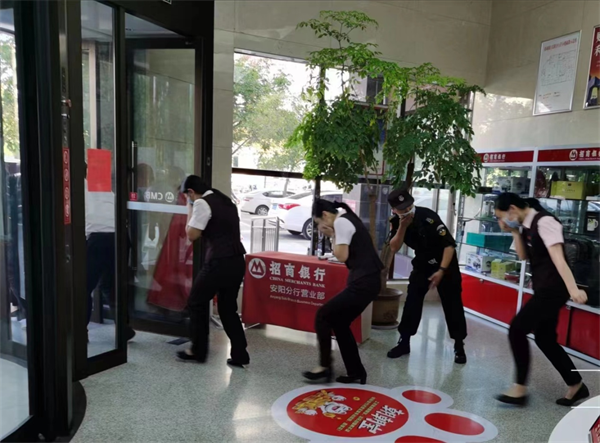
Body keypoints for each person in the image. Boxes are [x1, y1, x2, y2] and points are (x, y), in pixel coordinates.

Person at [494, 193, 589, 406]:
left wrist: (573, 289)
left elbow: (559, 259)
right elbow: (523, 256)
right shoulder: (525, 225)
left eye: (501, 217)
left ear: (512, 209)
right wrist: (514, 231)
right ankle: (576, 385)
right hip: (544, 288)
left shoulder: (545, 222)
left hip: (553, 289)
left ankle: (519, 389)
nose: (501, 222)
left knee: (517, 330)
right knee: (544, 339)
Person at [302, 199, 383, 385]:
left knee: (322, 315)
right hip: (368, 280)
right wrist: (333, 234)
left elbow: (341, 256)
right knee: (339, 322)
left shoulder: (341, 222)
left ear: (325, 215)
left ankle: (325, 367)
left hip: (364, 282)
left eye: (318, 223)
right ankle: (355, 371)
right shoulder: (347, 218)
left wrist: (332, 235)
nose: (320, 227)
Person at [386, 187, 467, 364]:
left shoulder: (428, 216)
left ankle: (459, 345)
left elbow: (449, 246)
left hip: (446, 264)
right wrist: (402, 227)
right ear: (394, 210)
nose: (407, 210)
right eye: (402, 208)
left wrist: (441, 271)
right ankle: (404, 342)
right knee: (412, 301)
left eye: (409, 206)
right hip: (423, 264)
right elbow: (394, 247)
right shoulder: (396, 221)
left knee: (452, 303)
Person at [176, 175, 249, 366]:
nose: (188, 200)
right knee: (228, 308)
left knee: (195, 302)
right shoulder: (224, 199)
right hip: (237, 260)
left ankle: (197, 351)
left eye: (187, 196)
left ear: (191, 192)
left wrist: (189, 207)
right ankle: (240, 353)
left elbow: (191, 234)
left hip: (219, 261)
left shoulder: (202, 203)